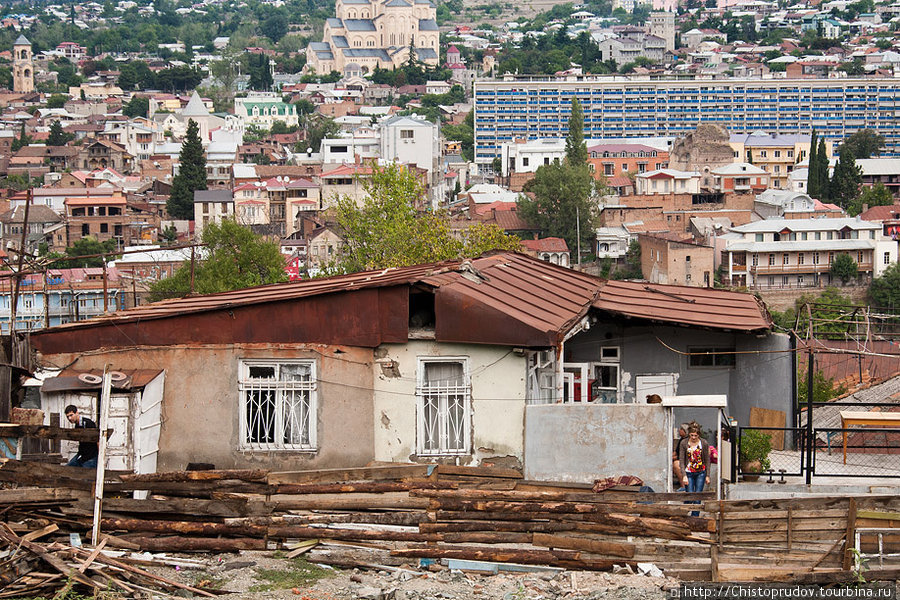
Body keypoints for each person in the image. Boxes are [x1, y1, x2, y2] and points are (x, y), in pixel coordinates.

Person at [678, 422, 710, 493]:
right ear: (689, 434)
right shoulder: (684, 443)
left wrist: (707, 475)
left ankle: (697, 504)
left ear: (699, 435)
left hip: (701, 472)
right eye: (692, 435)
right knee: (690, 493)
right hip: (689, 471)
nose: (693, 437)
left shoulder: (704, 443)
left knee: (698, 494)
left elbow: (707, 459)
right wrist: (684, 475)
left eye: (695, 435)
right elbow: (682, 460)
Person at [672, 422, 690, 490]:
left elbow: (682, 456)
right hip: (680, 459)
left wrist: (673, 458)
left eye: (681, 429)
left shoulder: (687, 441)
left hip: (686, 461)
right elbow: (676, 452)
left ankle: (684, 486)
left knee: (676, 464)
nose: (679, 430)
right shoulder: (681, 440)